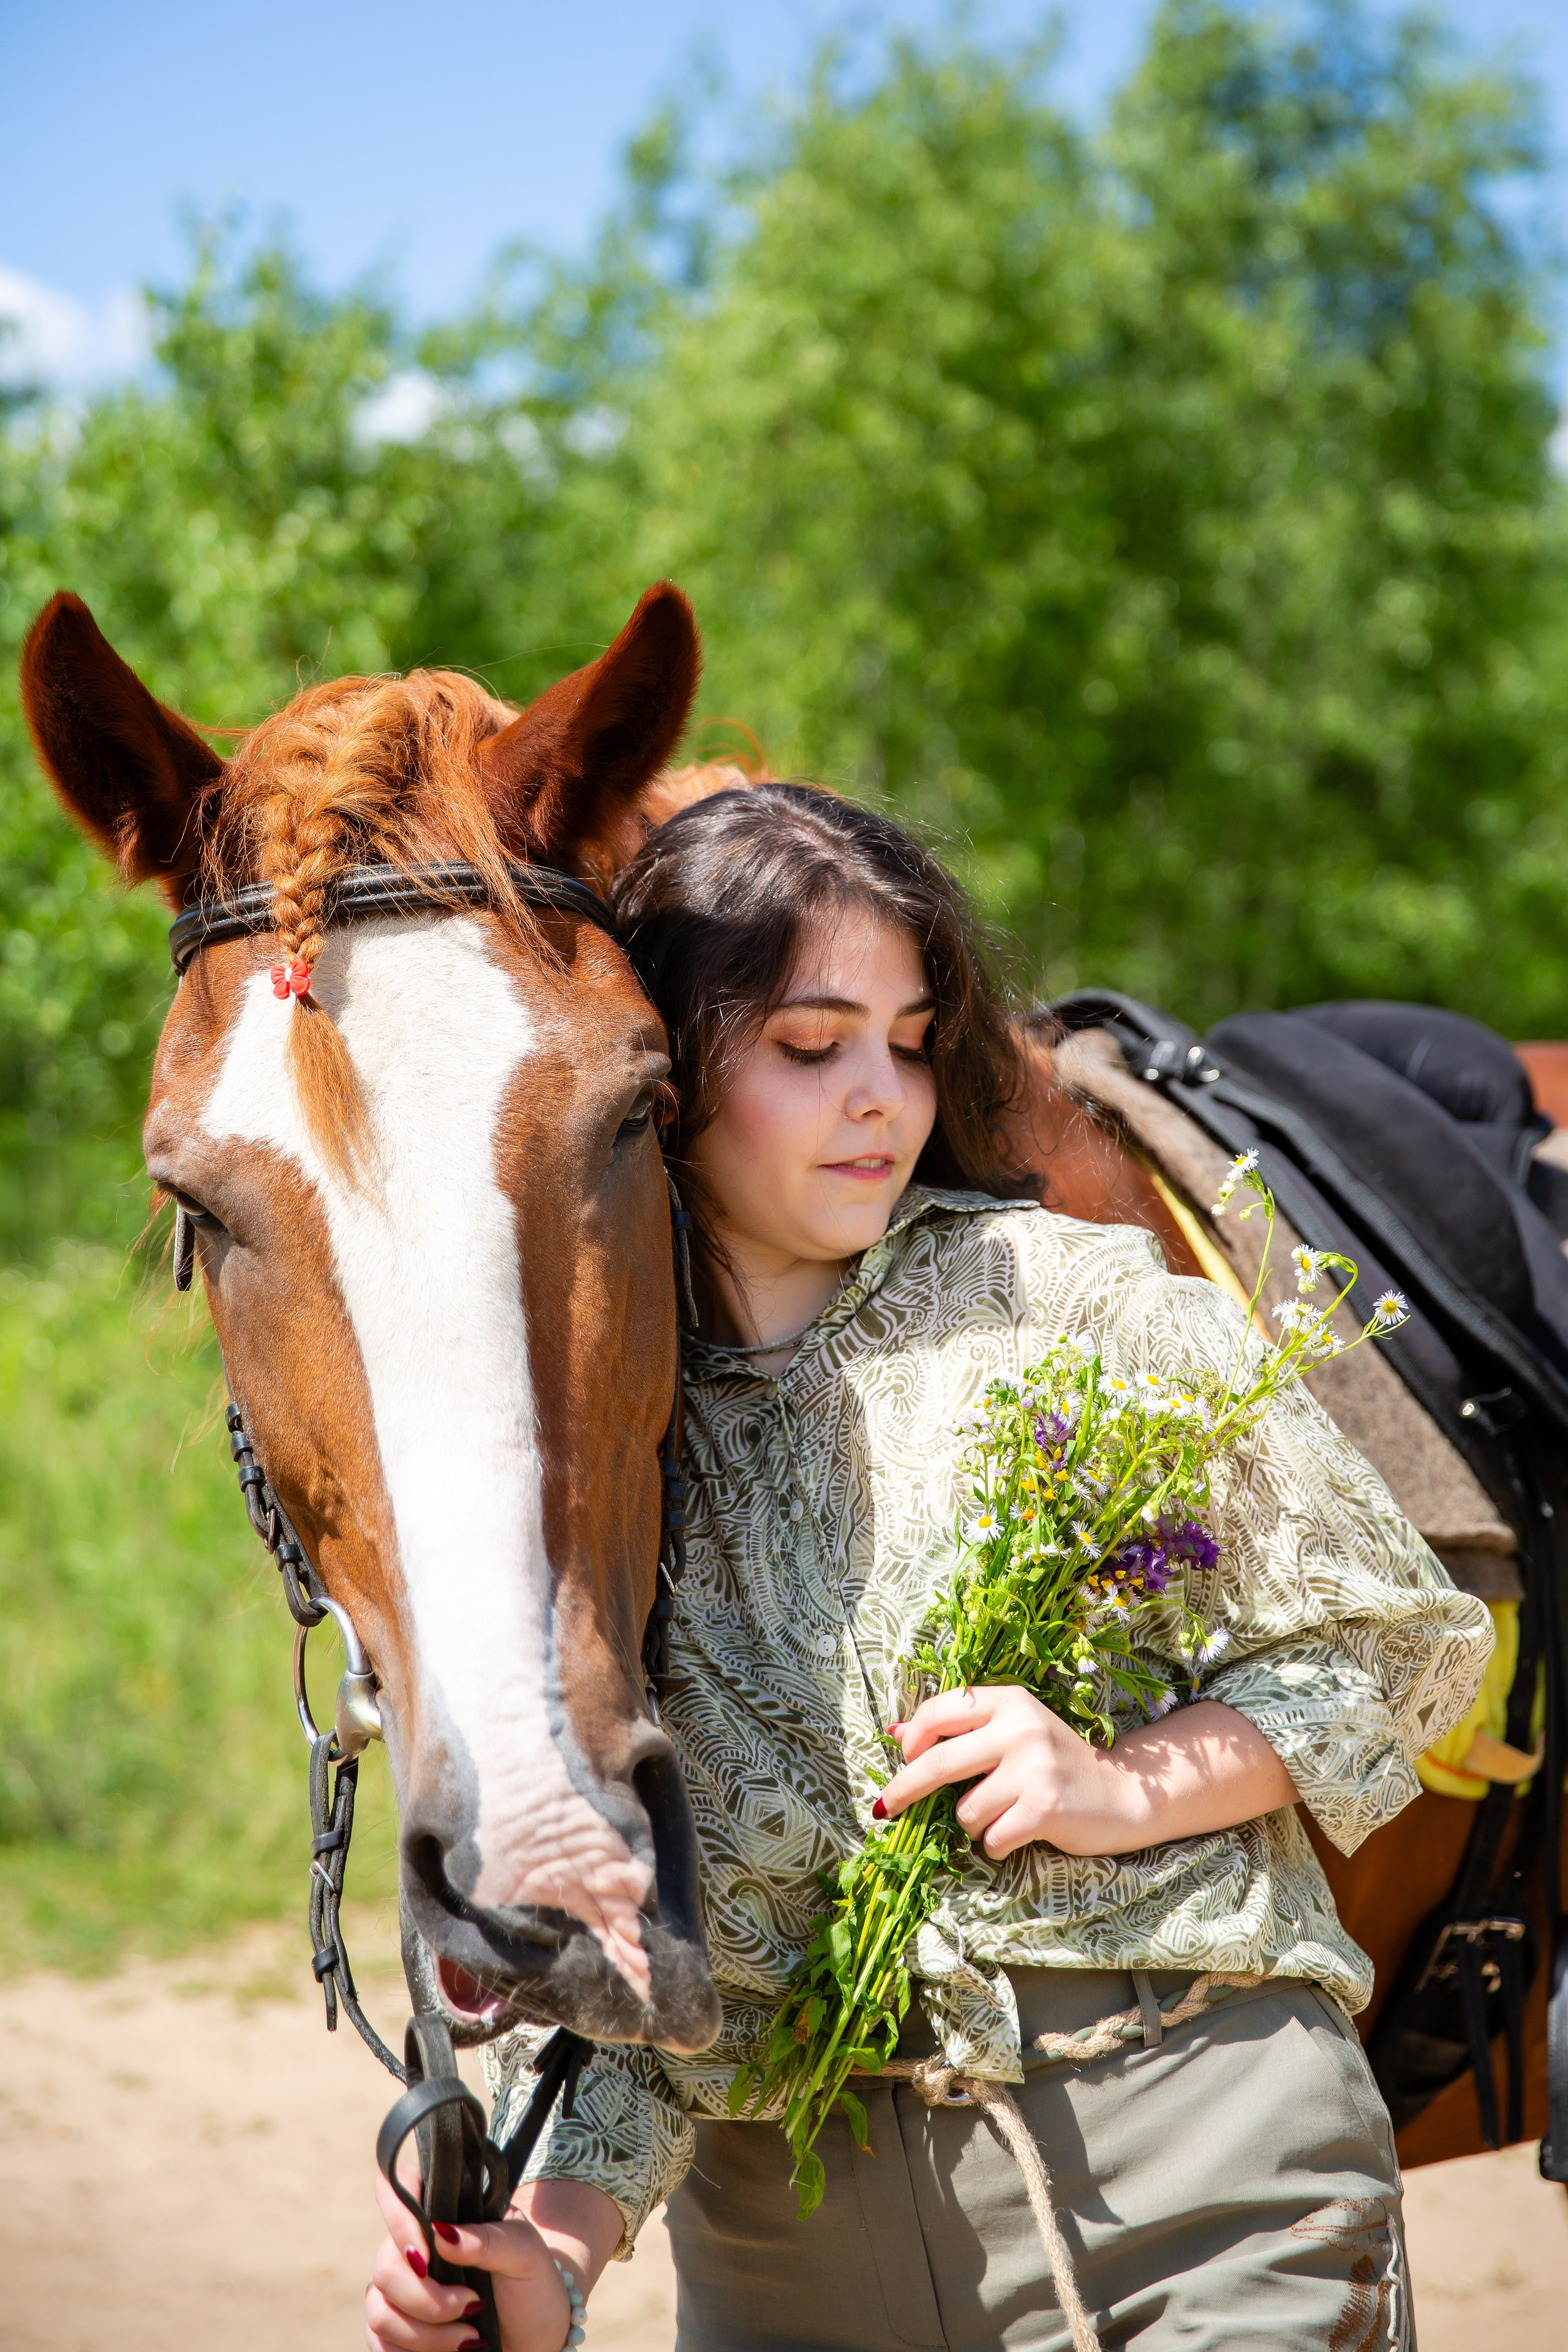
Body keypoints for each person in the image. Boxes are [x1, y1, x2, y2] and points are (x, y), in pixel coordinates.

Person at [364, 783, 1490, 2352]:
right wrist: (546, 2262)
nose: (879, 1097)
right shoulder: (601, 1460)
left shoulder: (1074, 1309)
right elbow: (649, 1996)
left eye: (906, 1038)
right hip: (784, 2280)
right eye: (811, 1048)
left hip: (1195, 2199)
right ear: (666, 1076)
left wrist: (1119, 1779)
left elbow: (1395, 1650)